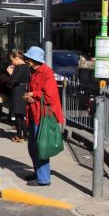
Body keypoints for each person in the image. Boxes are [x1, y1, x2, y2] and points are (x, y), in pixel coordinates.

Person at [22, 46, 64, 186]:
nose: (27, 60)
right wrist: (30, 97)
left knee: (41, 147)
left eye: (29, 58)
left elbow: (50, 96)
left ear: (35, 60)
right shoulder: (34, 72)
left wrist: (32, 95)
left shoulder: (46, 72)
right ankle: (38, 173)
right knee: (33, 147)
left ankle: (43, 178)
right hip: (35, 113)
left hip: (43, 116)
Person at [6, 51, 30, 142]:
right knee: (21, 114)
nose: (12, 63)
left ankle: (19, 135)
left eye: (12, 60)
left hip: (17, 91)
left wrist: (10, 73)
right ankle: (25, 135)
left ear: (17, 58)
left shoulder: (19, 68)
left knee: (17, 115)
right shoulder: (27, 67)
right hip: (23, 89)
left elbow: (12, 80)